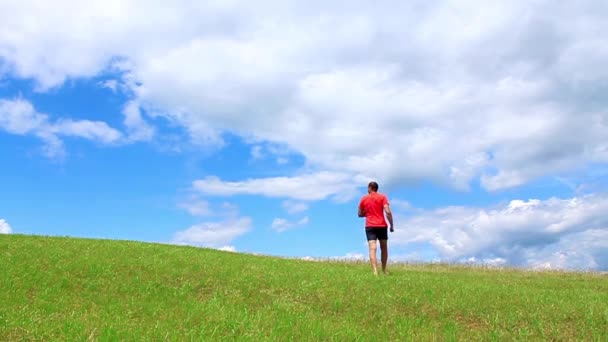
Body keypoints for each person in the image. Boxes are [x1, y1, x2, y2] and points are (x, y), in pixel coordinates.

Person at [358, 181, 393, 275]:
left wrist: (368, 213)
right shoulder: (383, 197)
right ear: (376, 188)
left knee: (372, 248)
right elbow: (388, 211)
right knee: (384, 248)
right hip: (382, 225)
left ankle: (375, 271)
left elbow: (360, 214)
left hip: (370, 226)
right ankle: (384, 270)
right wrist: (391, 225)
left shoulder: (363, 199)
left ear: (369, 188)